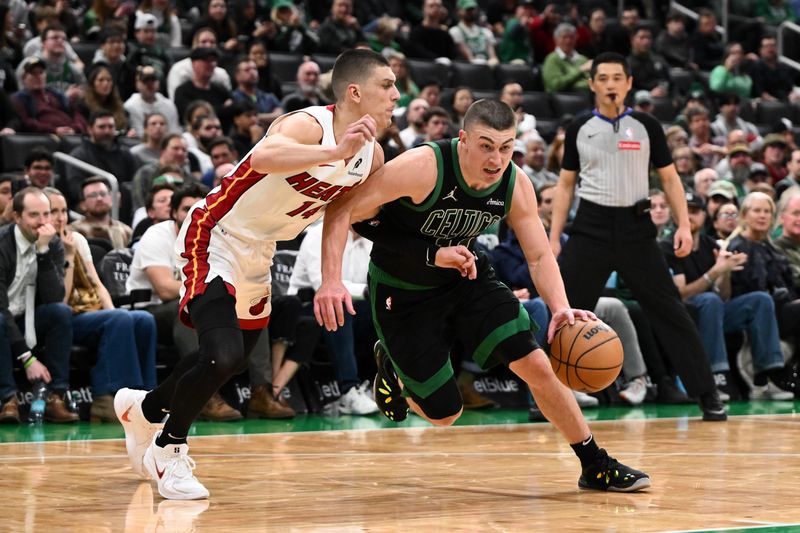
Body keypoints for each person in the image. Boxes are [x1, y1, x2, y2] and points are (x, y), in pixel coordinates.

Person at [315, 98, 651, 492]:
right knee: (444, 415)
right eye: (486, 146)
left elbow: (540, 255)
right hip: (402, 291)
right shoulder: (423, 166)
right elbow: (344, 210)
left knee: (537, 366)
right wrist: (332, 278)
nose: (496, 158)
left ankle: (594, 463)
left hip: (467, 277)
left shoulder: (514, 182)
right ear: (463, 140)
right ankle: (394, 371)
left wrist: (560, 308)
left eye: (506, 147)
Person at [114, 49, 400, 500]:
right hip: (217, 233)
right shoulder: (310, 125)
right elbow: (264, 156)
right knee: (222, 353)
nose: (396, 94)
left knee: (236, 357)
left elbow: (339, 213)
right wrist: (334, 150)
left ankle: (143, 408)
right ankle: (167, 449)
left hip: (261, 250)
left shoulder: (373, 156)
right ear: (355, 91)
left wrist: (330, 279)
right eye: (387, 85)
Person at [548, 52, 727, 421]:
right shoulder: (580, 126)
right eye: (603, 78)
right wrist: (553, 237)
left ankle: (707, 393)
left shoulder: (646, 125)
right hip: (590, 228)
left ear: (629, 83)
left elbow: (670, 178)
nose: (610, 84)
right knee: (563, 311)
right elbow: (565, 186)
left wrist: (681, 224)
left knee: (669, 310)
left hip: (636, 229)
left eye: (618, 77)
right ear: (592, 84)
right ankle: (545, 395)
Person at [660, 191, 794, 400]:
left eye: (695, 211)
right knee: (709, 301)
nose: (689, 216)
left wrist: (725, 273)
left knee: (760, 299)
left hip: (714, 313)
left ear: (704, 216)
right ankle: (716, 375)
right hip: (685, 316)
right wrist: (714, 272)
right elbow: (680, 295)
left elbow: (725, 296)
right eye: (685, 211)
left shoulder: (711, 245)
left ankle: (765, 376)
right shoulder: (668, 247)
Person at [44, 188, 160, 421]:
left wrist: (113, 311)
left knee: (143, 319)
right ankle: (110, 397)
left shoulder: (76, 238)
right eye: (52, 211)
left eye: (64, 211)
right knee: (120, 319)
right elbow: (60, 301)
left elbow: (97, 284)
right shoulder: (43, 245)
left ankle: (149, 396)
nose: (60, 217)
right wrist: (67, 256)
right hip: (65, 317)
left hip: (91, 313)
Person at [0, 187, 78, 423]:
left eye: (46, 214)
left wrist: (43, 252)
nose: (42, 222)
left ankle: (56, 395)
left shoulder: (51, 243)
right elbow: (1, 307)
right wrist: (27, 358)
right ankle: (7, 399)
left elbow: (55, 297)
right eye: (34, 215)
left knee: (60, 313)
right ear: (17, 217)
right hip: (4, 316)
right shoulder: (2, 245)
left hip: (29, 318)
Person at [71, 177, 132, 249]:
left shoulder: (126, 230)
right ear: (82, 205)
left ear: (110, 197)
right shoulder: (73, 231)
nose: (99, 198)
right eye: (93, 195)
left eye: (103, 194)